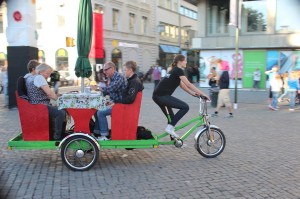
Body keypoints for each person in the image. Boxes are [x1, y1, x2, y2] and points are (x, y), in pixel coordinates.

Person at [152, 54, 210, 138]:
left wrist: (192, 93)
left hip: (158, 96)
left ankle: (174, 139)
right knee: (185, 107)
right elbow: (188, 84)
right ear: (180, 61)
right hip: (161, 96)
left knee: (171, 118)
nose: (186, 62)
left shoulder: (174, 70)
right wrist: (203, 94)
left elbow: (182, 85)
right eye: (185, 60)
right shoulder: (178, 70)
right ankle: (170, 128)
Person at [26, 63, 66, 140]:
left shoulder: (34, 77)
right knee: (60, 112)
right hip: (39, 105)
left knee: (61, 110)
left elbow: (47, 93)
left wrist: (58, 96)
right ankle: (58, 136)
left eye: (49, 74)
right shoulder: (39, 78)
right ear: (40, 72)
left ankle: (61, 133)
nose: (48, 76)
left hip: (37, 104)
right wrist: (60, 101)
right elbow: (49, 94)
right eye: (47, 73)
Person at [94, 61, 127, 140]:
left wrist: (98, 88)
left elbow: (111, 89)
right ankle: (97, 133)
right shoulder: (112, 77)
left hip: (120, 105)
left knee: (100, 112)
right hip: (115, 102)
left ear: (112, 68)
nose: (104, 72)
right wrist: (109, 101)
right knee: (97, 108)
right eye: (104, 70)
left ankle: (105, 135)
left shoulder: (119, 77)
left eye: (106, 70)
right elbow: (111, 93)